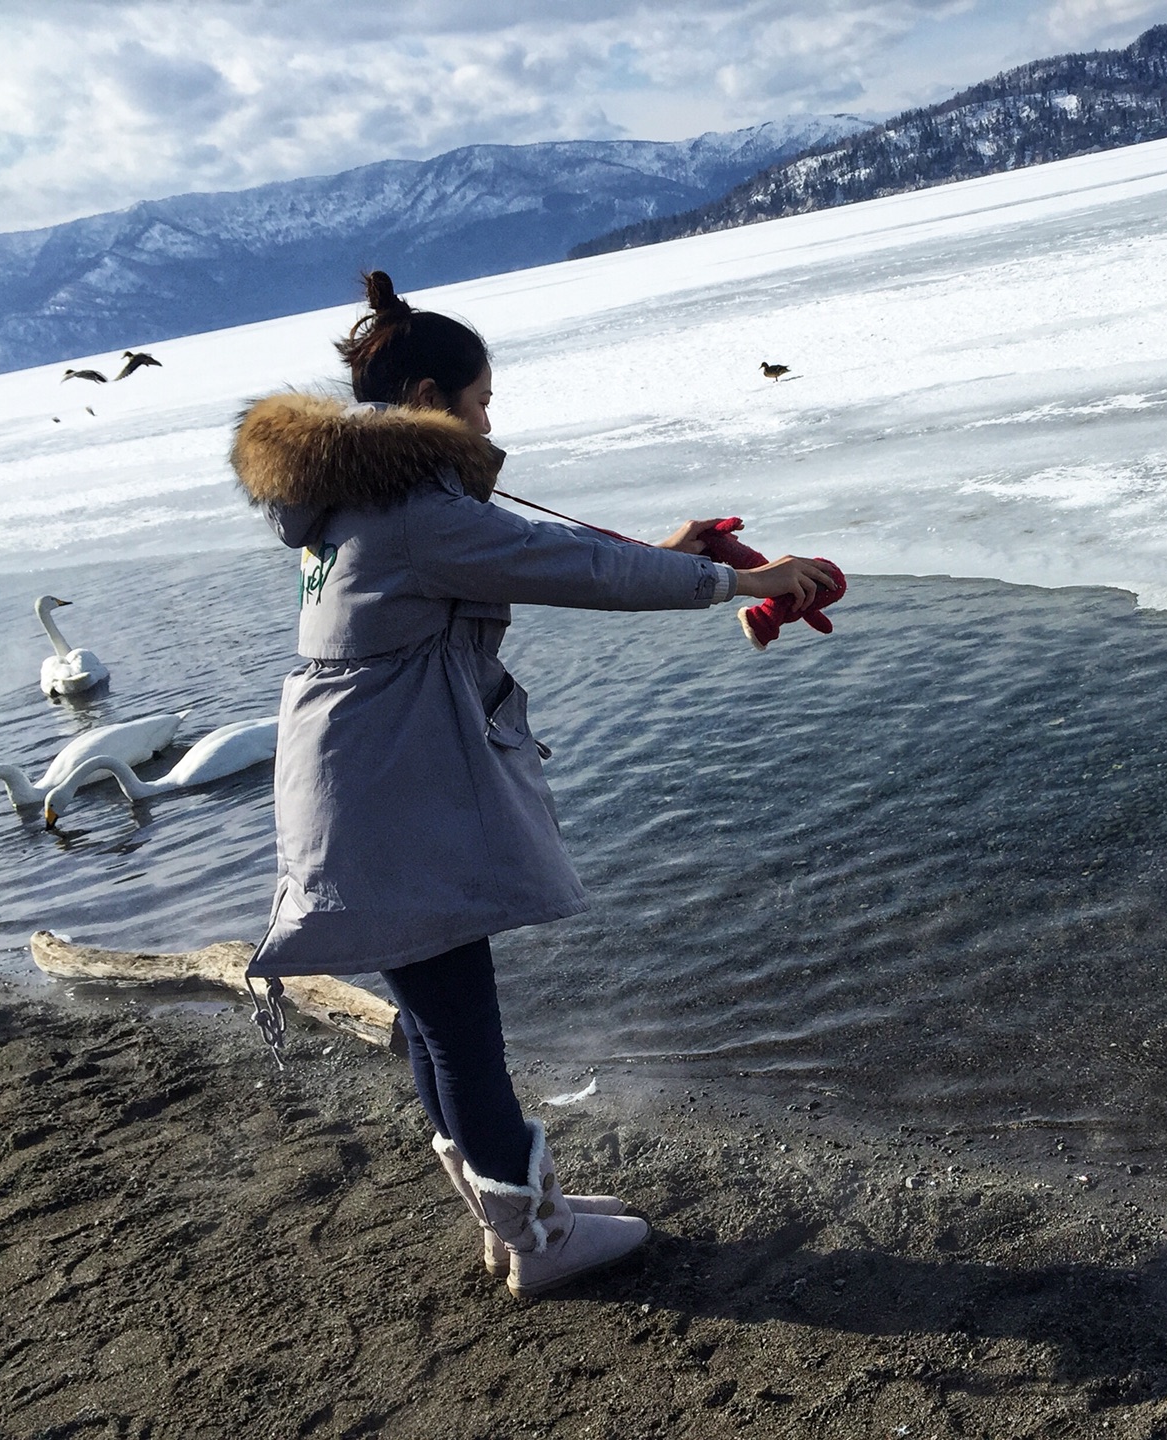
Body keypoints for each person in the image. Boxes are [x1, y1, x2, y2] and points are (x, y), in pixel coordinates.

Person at [229, 270, 832, 1298]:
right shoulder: (415, 508)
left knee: (433, 1016)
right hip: (387, 790)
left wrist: (664, 554)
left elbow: (532, 555)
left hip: (369, 781)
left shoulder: (362, 498)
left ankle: (513, 1213)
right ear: (429, 397)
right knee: (459, 1023)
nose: (489, 415)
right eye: (480, 401)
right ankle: (536, 1240)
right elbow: (567, 570)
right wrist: (739, 581)